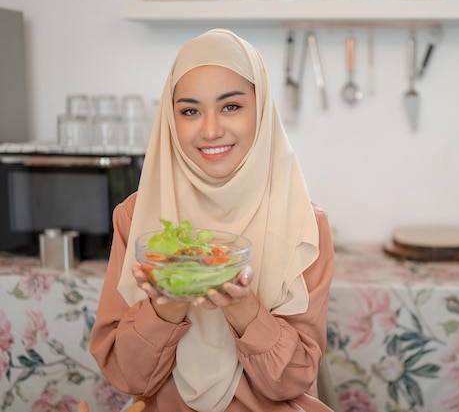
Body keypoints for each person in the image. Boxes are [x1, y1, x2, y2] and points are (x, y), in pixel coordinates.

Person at [89, 28, 335, 412]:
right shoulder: (136, 218)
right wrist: (166, 306)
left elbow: (292, 380)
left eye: (231, 106)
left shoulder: (303, 224)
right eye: (190, 111)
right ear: (170, 120)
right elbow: (129, 377)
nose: (210, 130)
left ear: (263, 109)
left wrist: (242, 307)